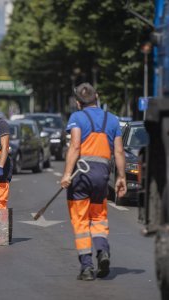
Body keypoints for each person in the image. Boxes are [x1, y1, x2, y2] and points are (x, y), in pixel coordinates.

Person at [61, 82, 127, 281]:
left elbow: (74, 146)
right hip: (102, 174)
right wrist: (121, 177)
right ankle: (103, 251)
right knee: (98, 217)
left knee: (80, 220)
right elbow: (118, 151)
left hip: (81, 173)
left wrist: (66, 174)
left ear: (78, 102)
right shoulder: (113, 120)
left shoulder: (77, 118)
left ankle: (87, 267)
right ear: (96, 96)